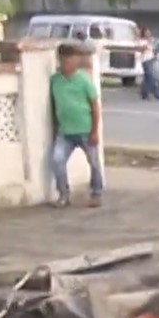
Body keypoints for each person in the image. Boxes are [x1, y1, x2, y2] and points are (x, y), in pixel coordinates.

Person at [51, 43, 104, 208]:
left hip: (85, 130)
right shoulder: (55, 80)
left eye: (71, 59)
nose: (68, 63)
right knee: (57, 160)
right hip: (65, 131)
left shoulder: (83, 80)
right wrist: (55, 127)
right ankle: (64, 194)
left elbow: (95, 106)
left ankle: (96, 193)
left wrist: (95, 131)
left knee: (94, 163)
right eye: (65, 60)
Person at [137, 27, 159, 100]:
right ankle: (156, 94)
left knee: (148, 78)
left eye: (149, 32)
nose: (148, 34)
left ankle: (145, 94)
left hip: (151, 60)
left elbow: (153, 50)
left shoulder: (150, 41)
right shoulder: (141, 41)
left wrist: (155, 55)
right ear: (144, 34)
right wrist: (145, 46)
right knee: (150, 77)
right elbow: (141, 50)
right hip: (145, 60)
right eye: (147, 33)